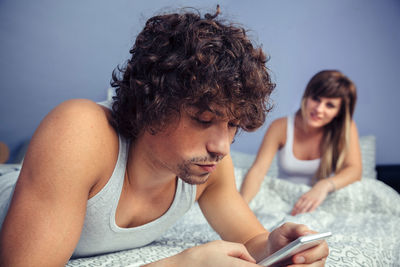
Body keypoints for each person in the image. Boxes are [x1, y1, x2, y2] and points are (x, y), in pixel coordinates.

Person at [0, 7, 329, 266]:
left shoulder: (208, 170)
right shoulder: (80, 129)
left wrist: (278, 248)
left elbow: (253, 242)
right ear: (152, 105)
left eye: (232, 125)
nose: (222, 147)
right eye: (203, 119)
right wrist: (183, 265)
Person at [240, 70, 362, 216]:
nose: (319, 109)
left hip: (322, 203)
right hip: (286, 205)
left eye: (330, 105)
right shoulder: (280, 127)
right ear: (306, 96)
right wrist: (241, 207)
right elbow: (258, 171)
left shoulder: (347, 127)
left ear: (339, 112)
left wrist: (323, 186)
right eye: (316, 99)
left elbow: (355, 170)